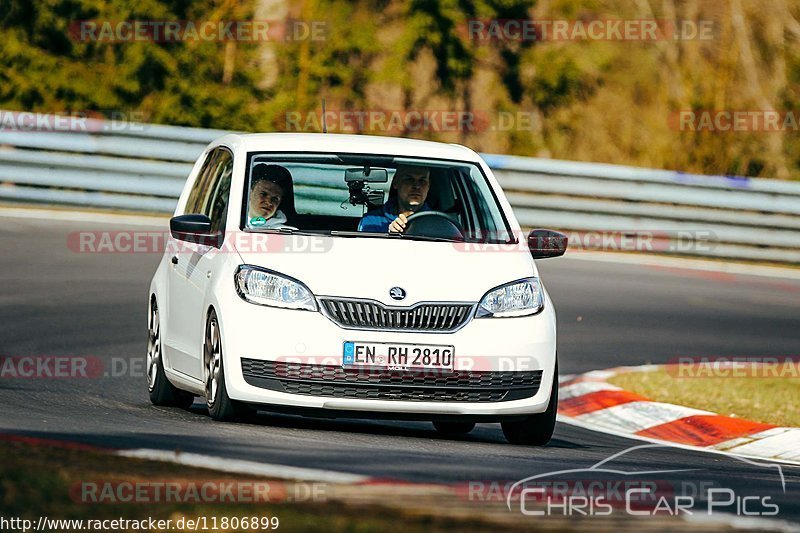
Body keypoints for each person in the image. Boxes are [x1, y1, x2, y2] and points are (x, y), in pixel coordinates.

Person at [358, 164, 431, 233]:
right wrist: (391, 236)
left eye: (422, 181)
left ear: (428, 186)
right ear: (396, 183)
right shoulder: (372, 221)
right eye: (409, 179)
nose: (417, 186)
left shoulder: (437, 222)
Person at [247, 164, 294, 229]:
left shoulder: (290, 234)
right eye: (263, 194)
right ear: (249, 193)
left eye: (275, 198)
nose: (269, 202)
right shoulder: (230, 223)